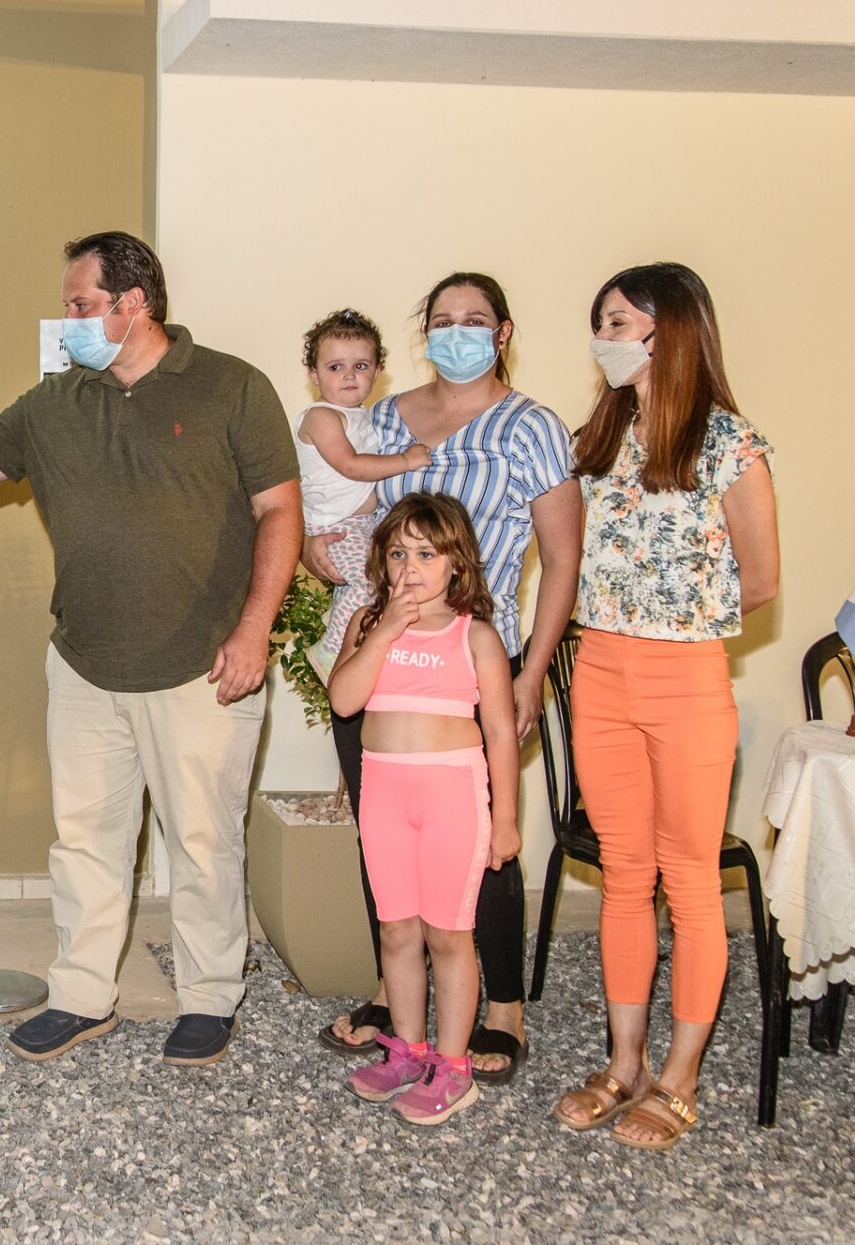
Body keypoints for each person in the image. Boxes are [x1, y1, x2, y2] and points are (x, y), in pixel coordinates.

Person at [0, 232, 300, 1066]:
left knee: (204, 845)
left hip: (204, 666)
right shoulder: (55, 402)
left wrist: (254, 630)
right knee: (86, 843)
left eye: (80, 304)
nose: (68, 319)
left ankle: (210, 999)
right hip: (85, 665)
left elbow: (280, 510)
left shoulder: (232, 386)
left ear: (134, 304)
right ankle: (82, 995)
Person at [312, 272, 580, 1083]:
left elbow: (563, 560)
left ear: (502, 332)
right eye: (441, 320)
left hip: (475, 659)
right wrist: (316, 552)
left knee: (481, 838)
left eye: (474, 319)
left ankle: (503, 1006)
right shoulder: (384, 418)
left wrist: (533, 670)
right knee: (386, 830)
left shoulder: (532, 428)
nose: (456, 332)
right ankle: (396, 1001)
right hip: (383, 656)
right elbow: (344, 509)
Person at [552, 262, 778, 1151]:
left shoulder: (729, 443)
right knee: (624, 876)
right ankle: (625, 1064)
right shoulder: (597, 438)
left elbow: (761, 580)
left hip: (687, 681)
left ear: (669, 328)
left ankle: (680, 1078)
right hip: (601, 675)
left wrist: (674, 622)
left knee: (688, 880)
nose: (603, 337)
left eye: (617, 321)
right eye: (601, 323)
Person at [328, 494, 519, 1125]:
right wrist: (384, 630)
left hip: (451, 798)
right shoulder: (368, 625)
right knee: (397, 931)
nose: (409, 567)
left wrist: (506, 820)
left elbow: (500, 734)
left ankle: (453, 1066)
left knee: (449, 934)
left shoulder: (476, 637)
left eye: (427, 554)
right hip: (385, 796)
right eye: (397, 553)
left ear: (456, 563)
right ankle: (407, 1051)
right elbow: (344, 701)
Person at [292, 310, 431, 669]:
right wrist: (406, 461)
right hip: (335, 526)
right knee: (371, 585)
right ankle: (331, 651)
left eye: (361, 366)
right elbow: (351, 465)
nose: (349, 376)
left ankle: (341, 623)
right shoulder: (321, 417)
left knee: (380, 581)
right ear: (313, 374)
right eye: (335, 367)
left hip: (360, 524)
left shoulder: (365, 414)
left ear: (378, 370)